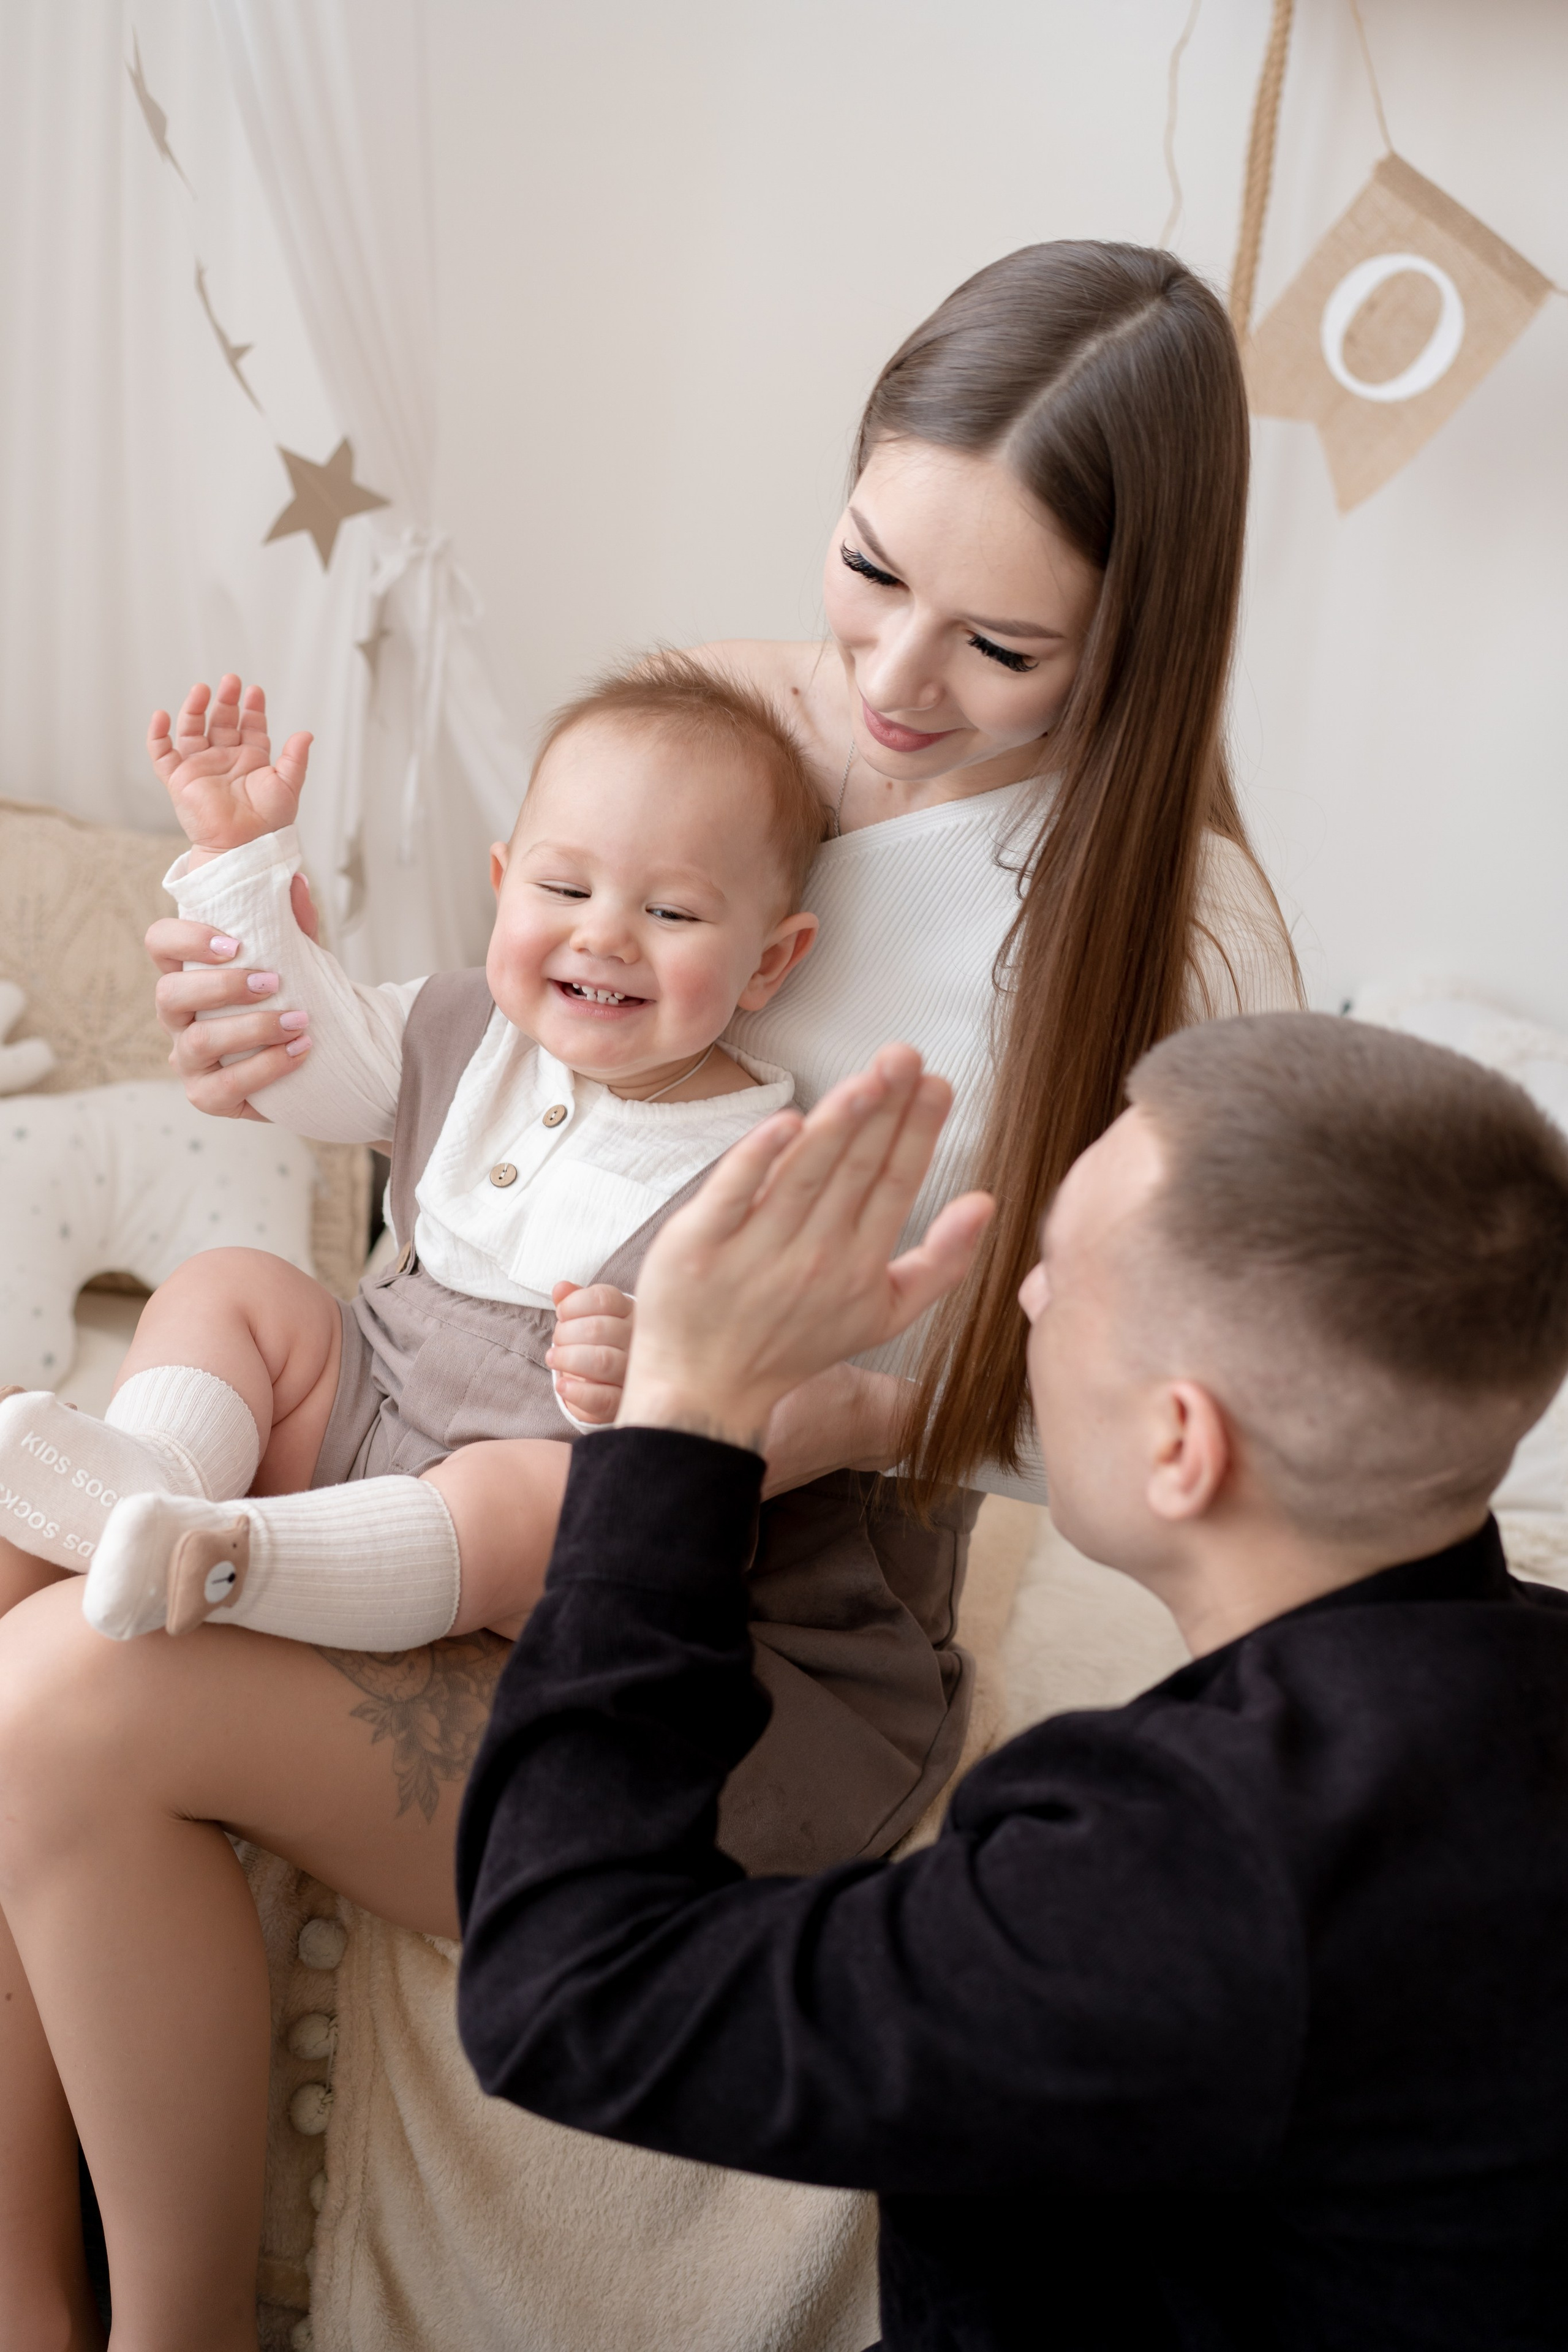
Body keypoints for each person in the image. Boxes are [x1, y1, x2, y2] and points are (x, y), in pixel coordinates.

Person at [0, 241, 1300, 2345]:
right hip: (467, 1420)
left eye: (998, 646)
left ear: (1140, 635)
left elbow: (1115, 1415)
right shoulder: (726, 711)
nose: (888, 683)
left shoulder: (1174, 933)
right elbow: (510, 1077)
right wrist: (274, 1004)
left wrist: (793, 1407)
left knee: (60, 1693)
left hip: (735, 1615)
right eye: (870, 569)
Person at [456, 1018, 1568, 2352]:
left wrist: (685, 1413)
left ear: (1179, 1443)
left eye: (1055, 1274)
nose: (1024, 1302)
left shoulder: (1179, 1871)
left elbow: (569, 1995)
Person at [0, 650, 827, 1649]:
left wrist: (644, 1370)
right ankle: (150, 1491)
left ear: (770, 962)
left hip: (523, 1499)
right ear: (501, 881)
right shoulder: (458, 1025)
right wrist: (238, 862)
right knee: (235, 1287)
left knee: (527, 1495)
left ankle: (237, 1561)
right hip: (363, 1394)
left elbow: (750, 1397)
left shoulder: (765, 1165)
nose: (605, 935)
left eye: (670, 912)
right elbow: (302, 1061)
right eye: (563, 886)